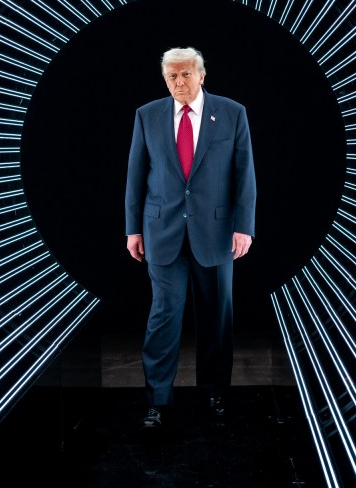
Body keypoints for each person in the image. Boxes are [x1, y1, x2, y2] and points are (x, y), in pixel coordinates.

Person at [125, 47, 256, 430]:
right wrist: (133, 229)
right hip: (162, 232)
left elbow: (244, 174)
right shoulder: (147, 115)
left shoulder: (232, 112)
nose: (179, 83)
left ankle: (215, 393)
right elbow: (136, 175)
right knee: (163, 317)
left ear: (201, 76)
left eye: (185, 75)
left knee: (216, 318)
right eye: (171, 77)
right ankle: (158, 402)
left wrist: (244, 226)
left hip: (216, 233)